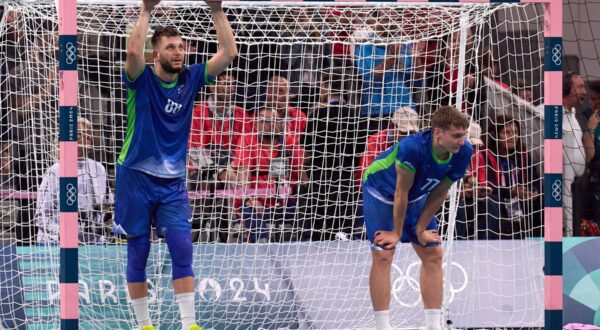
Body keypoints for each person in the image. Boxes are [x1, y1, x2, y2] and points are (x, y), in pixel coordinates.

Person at [112, 0, 237, 329]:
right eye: (170, 47)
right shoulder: (141, 78)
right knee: (138, 251)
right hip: (134, 176)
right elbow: (133, 55)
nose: (179, 52)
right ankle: (144, 325)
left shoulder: (191, 77)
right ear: (157, 54)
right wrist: (145, 11)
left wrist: (216, 9)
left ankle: (189, 324)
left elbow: (227, 54)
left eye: (181, 47)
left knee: (182, 246)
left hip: (172, 181)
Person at [361, 106, 472, 330]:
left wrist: (420, 228)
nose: (462, 141)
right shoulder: (412, 148)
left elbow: (440, 191)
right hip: (382, 191)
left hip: (416, 194)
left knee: (434, 252)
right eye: (456, 136)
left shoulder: (464, 151)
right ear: (438, 133)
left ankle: (434, 326)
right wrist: (396, 233)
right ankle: (383, 327)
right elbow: (401, 192)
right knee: (384, 254)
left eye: (464, 135)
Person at [232, 108, 307, 243]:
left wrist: (308, 197)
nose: (270, 125)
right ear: (256, 123)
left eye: (274, 121)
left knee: (306, 214)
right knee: (251, 214)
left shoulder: (288, 142)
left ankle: (305, 249)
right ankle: (262, 248)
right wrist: (250, 199)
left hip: (284, 203)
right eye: (264, 121)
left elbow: (301, 174)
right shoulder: (247, 140)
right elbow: (244, 173)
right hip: (255, 202)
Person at [35, 118, 112, 244]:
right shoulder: (55, 171)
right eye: (80, 134)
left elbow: (107, 208)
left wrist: (104, 234)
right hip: (56, 244)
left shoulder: (99, 169)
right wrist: (65, 236)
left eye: (88, 132)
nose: (87, 136)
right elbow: (41, 215)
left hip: (93, 245)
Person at [562, 72, 588, 236]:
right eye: (580, 87)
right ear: (566, 88)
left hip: (577, 186)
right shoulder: (546, 113)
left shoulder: (573, 116)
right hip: (559, 187)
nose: (584, 92)